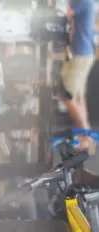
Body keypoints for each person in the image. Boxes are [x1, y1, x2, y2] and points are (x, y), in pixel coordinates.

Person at [60, 0, 97, 154]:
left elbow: (65, 12)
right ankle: (85, 137)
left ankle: (87, 137)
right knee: (78, 97)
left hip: (81, 53)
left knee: (68, 97)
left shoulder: (83, 1)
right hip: (84, 52)